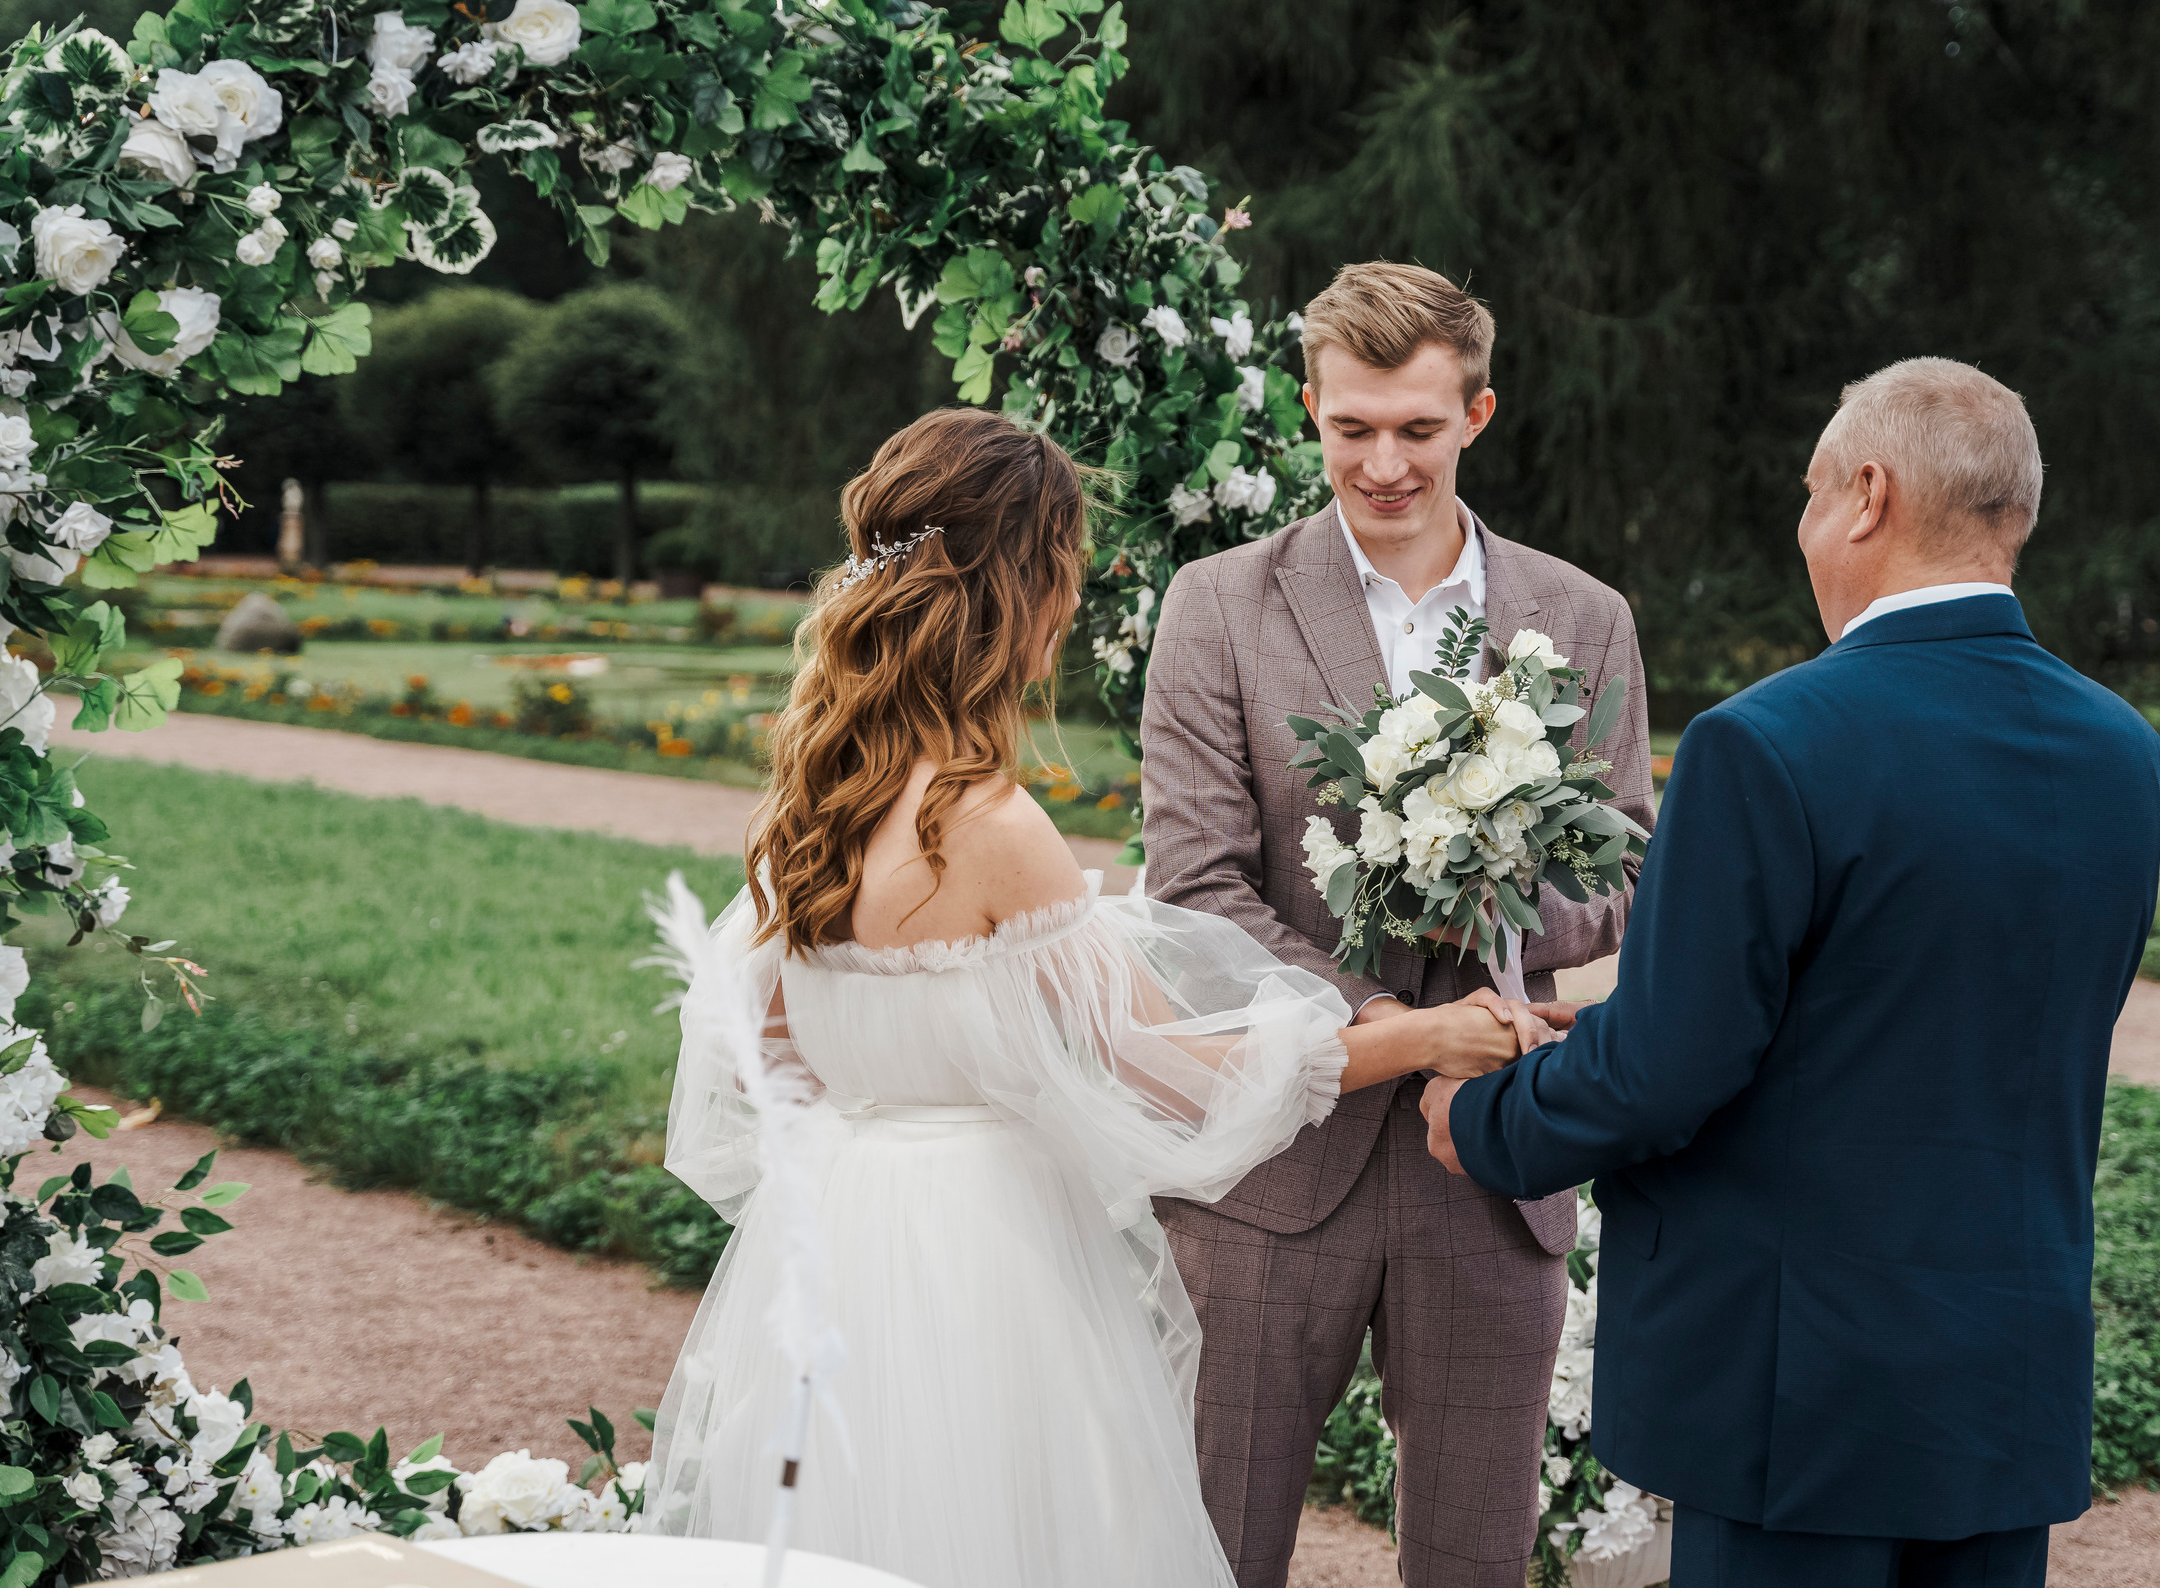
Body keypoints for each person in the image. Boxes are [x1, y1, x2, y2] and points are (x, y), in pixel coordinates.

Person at [642, 408, 1546, 1588]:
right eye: (1062, 566)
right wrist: (1425, 1035)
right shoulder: (986, 824)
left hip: (836, 1241)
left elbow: (765, 1054)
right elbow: (1171, 1073)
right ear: (1018, 587)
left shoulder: (809, 806)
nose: (1069, 602)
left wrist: (893, 1119)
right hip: (984, 1257)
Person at [1424, 359, 2160, 1587]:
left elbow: (1667, 1070)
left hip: (1799, 1389)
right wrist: (1597, 1032)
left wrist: (1483, 1117)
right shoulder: (2124, 753)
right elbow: (1911, 1010)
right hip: (2005, 1370)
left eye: (1813, 492)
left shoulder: (1764, 744)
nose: (1804, 525)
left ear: (1868, 496)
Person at [1141, 263, 1657, 1587]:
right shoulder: (1217, 604)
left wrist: (1493, 898)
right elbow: (1197, 885)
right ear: (1310, 410)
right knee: (1210, 1553)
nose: (1383, 465)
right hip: (1267, 1165)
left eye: (1418, 429)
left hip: (1495, 1159)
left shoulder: (1582, 616)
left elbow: (1626, 864)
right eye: (1351, 427)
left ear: (1477, 413)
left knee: (1472, 1561)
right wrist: (1383, 1021)